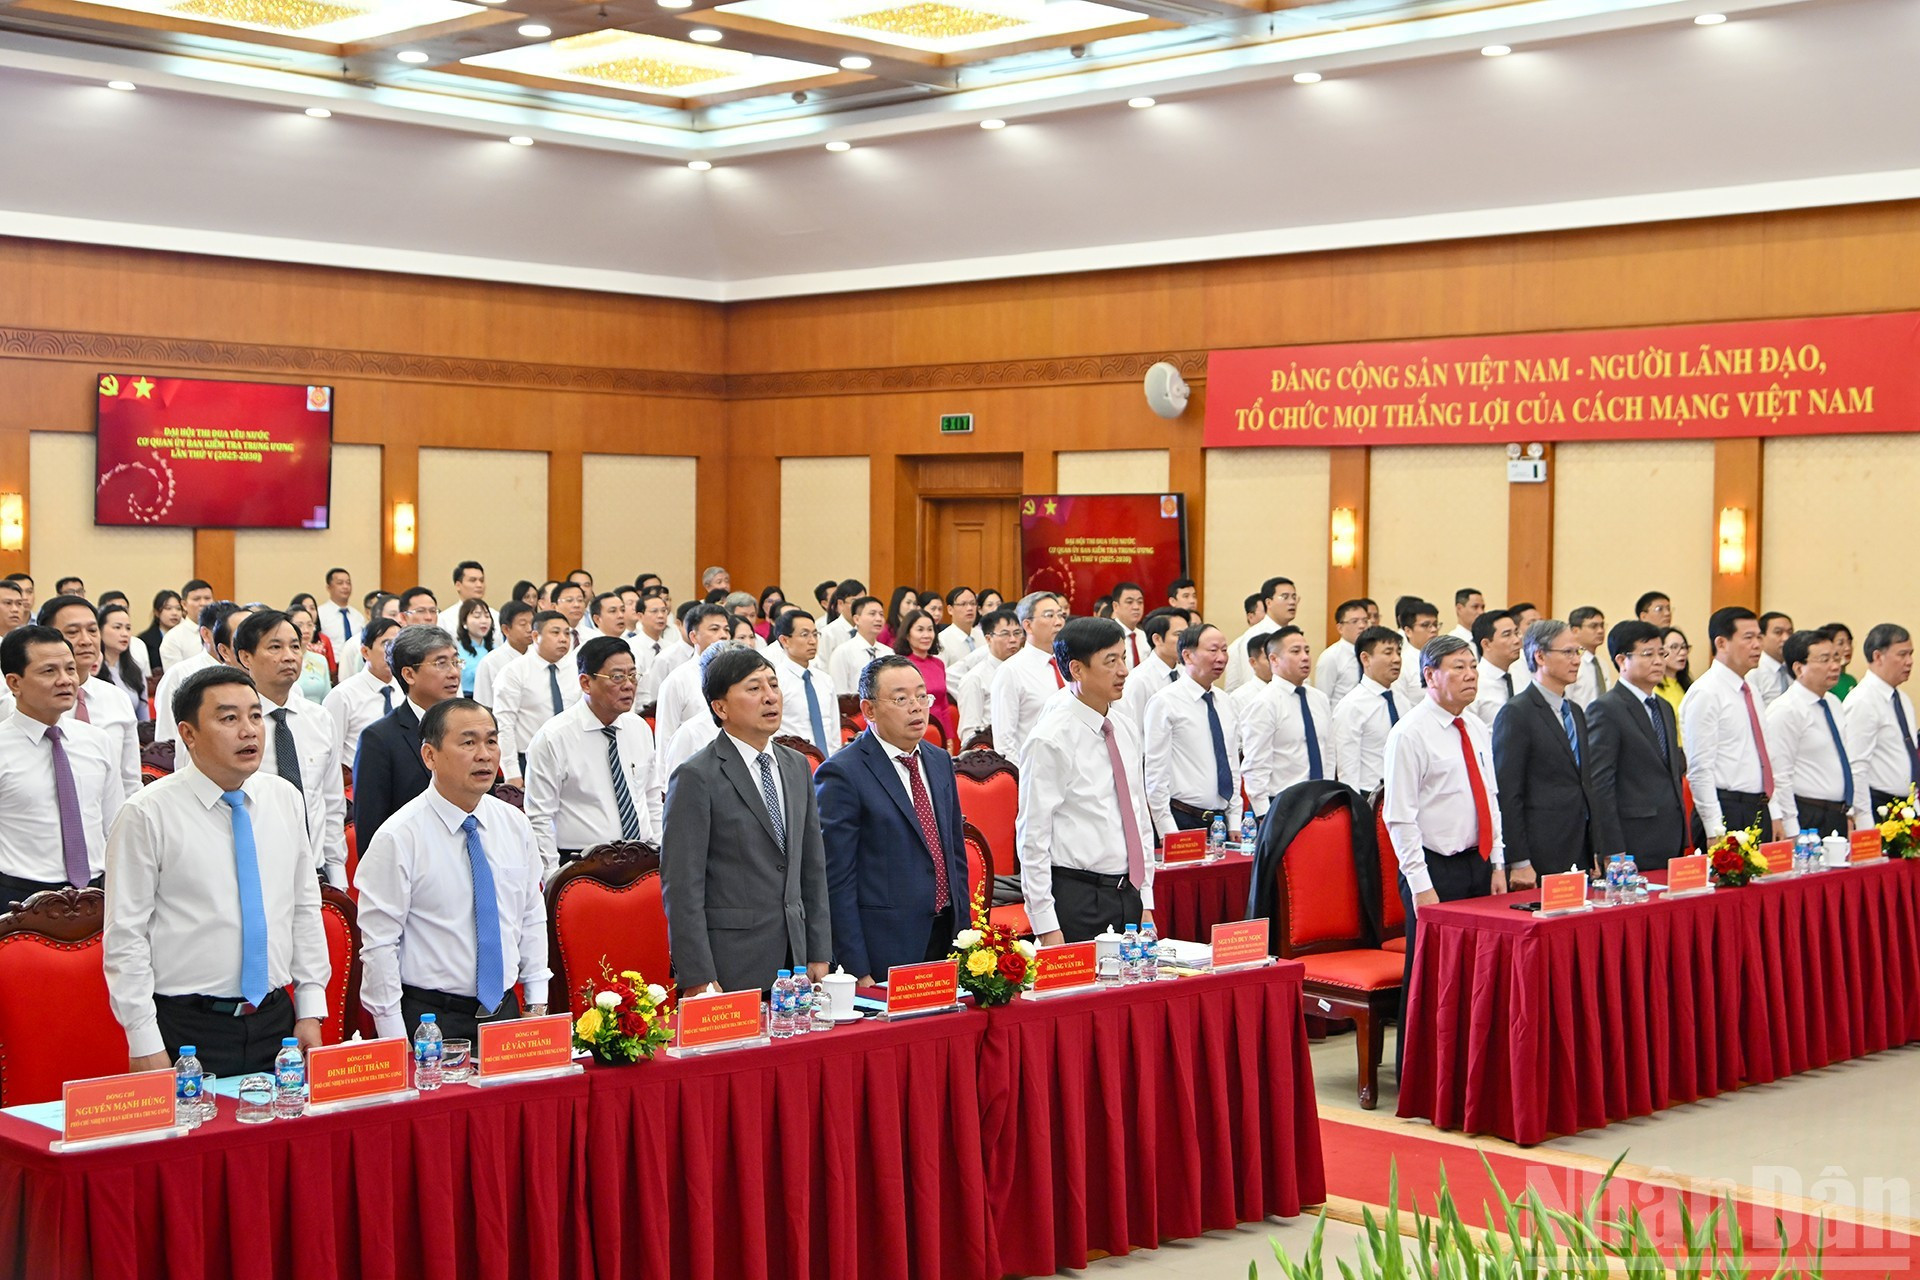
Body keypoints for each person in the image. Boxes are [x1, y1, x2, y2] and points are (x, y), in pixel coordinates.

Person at [104, 665, 330, 1077]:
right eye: (229, 718)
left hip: (277, 1021)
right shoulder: (147, 813)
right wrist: (143, 1038)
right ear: (188, 734)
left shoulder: (284, 798)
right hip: (187, 1027)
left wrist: (311, 1008)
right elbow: (126, 936)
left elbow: (304, 907)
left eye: (255, 716)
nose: (249, 731)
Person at [357, 698, 548, 1044]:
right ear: (430, 755)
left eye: (491, 741)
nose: (484, 755)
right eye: (468, 742)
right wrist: (394, 1037)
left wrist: (536, 1002)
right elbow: (380, 945)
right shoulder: (398, 837)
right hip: (430, 1020)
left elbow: (531, 915)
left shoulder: (514, 824)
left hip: (505, 1012)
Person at [1384, 636, 1525, 1066]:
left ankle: (1470, 1067)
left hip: (1477, 864)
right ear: (1430, 675)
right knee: (1432, 977)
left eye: (1473, 667)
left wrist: (1497, 863)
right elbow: (1399, 818)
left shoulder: (1476, 726)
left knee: (1477, 973)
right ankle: (1422, 1072)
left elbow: (1491, 799)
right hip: (1433, 870)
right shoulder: (1409, 733)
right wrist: (1421, 885)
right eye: (1458, 667)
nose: (1470, 675)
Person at [659, 646, 830, 994]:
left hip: (796, 957)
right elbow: (682, 886)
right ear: (720, 707)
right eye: (754, 688)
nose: (770, 697)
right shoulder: (696, 776)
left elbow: (812, 865)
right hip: (730, 963)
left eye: (773, 685)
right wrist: (697, 975)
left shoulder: (796, 765)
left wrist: (818, 949)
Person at [815, 655, 968, 983]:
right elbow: (837, 881)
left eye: (922, 696)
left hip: (947, 936)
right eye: (901, 699)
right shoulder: (843, 773)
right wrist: (856, 968)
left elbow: (955, 855)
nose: (916, 707)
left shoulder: (939, 760)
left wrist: (966, 937)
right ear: (869, 710)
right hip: (885, 946)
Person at [1016, 618, 1154, 944]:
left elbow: (1138, 815)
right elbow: (1033, 837)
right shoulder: (1050, 739)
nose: (1124, 671)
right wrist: (1046, 925)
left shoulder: (1124, 727)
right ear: (1077, 669)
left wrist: (1146, 899)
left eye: (1123, 658)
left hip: (1129, 893)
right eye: (1111, 661)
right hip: (1078, 897)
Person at [523, 637, 661, 882]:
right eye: (617, 677)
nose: (628, 685)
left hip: (642, 860)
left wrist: (661, 853)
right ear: (586, 683)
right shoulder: (553, 738)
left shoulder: (639, 728)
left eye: (632, 675)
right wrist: (552, 879)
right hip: (581, 866)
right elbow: (540, 817)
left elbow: (650, 797)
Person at [0, 626, 121, 904]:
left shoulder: (97, 741)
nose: (65, 680)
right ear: (14, 683)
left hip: (96, 893)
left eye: (70, 669)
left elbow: (113, 825)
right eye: (49, 671)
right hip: (19, 898)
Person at [233, 610, 348, 887]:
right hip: (253, 873)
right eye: (275, 647)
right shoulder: (233, 725)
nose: (289, 656)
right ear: (246, 657)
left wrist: (337, 875)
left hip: (315, 873)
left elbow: (331, 803)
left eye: (295, 647)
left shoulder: (319, 719)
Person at [1490, 619, 1596, 879]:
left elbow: (1585, 783)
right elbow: (1508, 793)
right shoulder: (1517, 713)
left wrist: (1596, 845)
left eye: (1578, 652)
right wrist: (1519, 860)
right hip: (1541, 850)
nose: (1576, 660)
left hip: (1579, 845)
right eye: (1568, 652)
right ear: (1539, 656)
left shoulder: (1575, 712)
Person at [1586, 621, 1689, 869]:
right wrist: (1611, 846)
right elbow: (1600, 784)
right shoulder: (1606, 709)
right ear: (1622, 660)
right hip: (1632, 839)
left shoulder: (1663, 707)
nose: (1658, 661)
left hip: (1671, 834)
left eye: (1661, 653)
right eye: (1648, 654)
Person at [352, 625, 463, 849]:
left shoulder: (470, 727)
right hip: (414, 859)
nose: (454, 672)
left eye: (456, 661)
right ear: (409, 674)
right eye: (441, 663)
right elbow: (372, 832)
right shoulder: (379, 739)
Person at [1681, 606, 1776, 840]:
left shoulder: (1750, 690)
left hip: (1757, 807)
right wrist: (1714, 828)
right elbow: (1700, 768)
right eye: (1748, 637)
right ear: (1722, 643)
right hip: (1726, 809)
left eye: (1759, 637)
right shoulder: (1706, 692)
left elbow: (1764, 757)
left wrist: (1775, 813)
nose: (1757, 645)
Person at [1142, 623, 1241, 839]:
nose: (1221, 658)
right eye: (1213, 650)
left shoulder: (1225, 702)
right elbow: (1155, 773)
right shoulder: (1165, 702)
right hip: (1182, 819)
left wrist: (1235, 819)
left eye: (1224, 650)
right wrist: (1166, 830)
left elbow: (1232, 763)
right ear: (1187, 655)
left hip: (1220, 822)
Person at [41, 595, 140, 799]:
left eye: (92, 630)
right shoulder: (26, 702)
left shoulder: (117, 698)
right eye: (73, 632)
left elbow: (130, 780)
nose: (86, 640)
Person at [1764, 629, 1858, 839]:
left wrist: (1849, 812)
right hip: (1807, 815)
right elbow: (1780, 775)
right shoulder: (1785, 710)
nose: (1835, 666)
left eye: (1836, 658)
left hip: (1837, 813)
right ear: (1799, 668)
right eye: (1824, 660)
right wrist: (1791, 828)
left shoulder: (1833, 703)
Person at [1241, 626, 1333, 820]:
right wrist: (1264, 815)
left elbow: (1329, 752)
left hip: (1321, 802)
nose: (1305, 657)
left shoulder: (1320, 699)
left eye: (1307, 651)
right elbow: (1255, 766)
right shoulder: (1264, 703)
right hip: (1281, 805)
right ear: (1274, 659)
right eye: (1295, 651)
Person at [1841, 623, 1918, 828]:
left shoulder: (1902, 699)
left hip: (1906, 807)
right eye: (1902, 654)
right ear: (1878, 657)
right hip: (1877, 807)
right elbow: (1856, 766)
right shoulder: (1862, 701)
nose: (1909, 661)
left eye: (1911, 654)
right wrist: (1863, 820)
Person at [491, 610, 581, 782]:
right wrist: (511, 772)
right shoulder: (514, 672)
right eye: (555, 632)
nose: (563, 639)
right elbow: (504, 725)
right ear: (535, 636)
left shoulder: (575, 670)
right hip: (529, 759)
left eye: (566, 633)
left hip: (571, 756)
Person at [990, 592, 1070, 762]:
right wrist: (1021, 775)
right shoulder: (1010, 671)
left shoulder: (1070, 664)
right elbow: (1004, 742)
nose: (1058, 622)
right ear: (1028, 625)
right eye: (1049, 615)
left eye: (1060, 615)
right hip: (1034, 768)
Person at [1331, 626, 1410, 793]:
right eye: (1388, 653)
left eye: (1398, 652)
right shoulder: (1351, 706)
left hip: (1403, 790)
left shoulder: (1402, 701)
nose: (1397, 659)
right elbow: (1347, 770)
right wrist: (1355, 804)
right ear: (1365, 659)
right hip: (1369, 794)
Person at [652, 604, 733, 763]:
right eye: (714, 629)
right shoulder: (677, 680)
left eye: (726, 630)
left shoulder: (738, 676)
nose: (723, 635)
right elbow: (665, 738)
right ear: (694, 637)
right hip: (694, 766)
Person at [325, 615, 403, 775]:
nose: (394, 651)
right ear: (365, 652)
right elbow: (331, 753)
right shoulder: (342, 695)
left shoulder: (407, 689)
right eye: (386, 644)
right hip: (359, 779)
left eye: (398, 644)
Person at [769, 610, 839, 759]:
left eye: (815, 634)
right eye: (804, 634)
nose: (812, 641)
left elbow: (834, 731)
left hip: (829, 761)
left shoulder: (825, 680)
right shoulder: (775, 682)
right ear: (785, 640)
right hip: (793, 762)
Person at [1115, 607, 1188, 738]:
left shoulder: (1185, 673)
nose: (1186, 641)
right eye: (1179, 635)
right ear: (1157, 639)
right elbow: (1132, 730)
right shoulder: (1139, 680)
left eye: (1187, 634)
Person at [956, 608, 1023, 748]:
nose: (1013, 640)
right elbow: (969, 734)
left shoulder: (1025, 671)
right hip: (994, 753)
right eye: (1005, 634)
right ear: (988, 639)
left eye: (1017, 633)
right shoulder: (975, 678)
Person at [1224, 577, 1294, 692]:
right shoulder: (1255, 636)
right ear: (1268, 602)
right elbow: (1252, 682)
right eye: (1284, 597)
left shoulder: (1293, 635)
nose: (1292, 602)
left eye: (1294, 597)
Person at [893, 608, 952, 741]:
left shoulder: (938, 664)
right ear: (907, 634)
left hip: (939, 732)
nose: (926, 635)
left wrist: (948, 737)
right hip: (913, 731)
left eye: (930, 629)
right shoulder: (900, 666)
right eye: (920, 630)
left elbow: (944, 705)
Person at [1468, 609, 1524, 727]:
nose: (1517, 640)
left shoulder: (1521, 674)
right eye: (1507, 635)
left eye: (1516, 633)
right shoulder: (1473, 683)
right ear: (1486, 644)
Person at [96, 601, 150, 722]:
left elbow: (144, 719)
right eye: (117, 627)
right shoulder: (92, 671)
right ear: (99, 630)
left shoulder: (135, 671)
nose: (125, 634)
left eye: (128, 628)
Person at [829, 595, 890, 700]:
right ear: (857, 619)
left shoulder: (888, 652)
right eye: (872, 614)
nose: (879, 619)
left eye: (881, 614)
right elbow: (839, 693)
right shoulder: (843, 652)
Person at [473, 601, 533, 707]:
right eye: (523, 624)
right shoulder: (490, 662)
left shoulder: (539, 656)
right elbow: (483, 704)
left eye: (532, 623)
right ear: (506, 629)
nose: (530, 629)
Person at [1313, 599, 1369, 709]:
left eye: (1365, 621)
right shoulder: (1330, 657)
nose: (1362, 626)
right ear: (1340, 628)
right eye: (1354, 621)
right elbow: (1322, 700)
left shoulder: (1370, 654)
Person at [626, 590, 676, 703]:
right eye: (654, 611)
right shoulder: (631, 647)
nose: (661, 615)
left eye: (664, 611)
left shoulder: (671, 648)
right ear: (640, 616)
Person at [1391, 598, 1442, 707]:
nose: (1433, 629)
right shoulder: (1402, 664)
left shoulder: (1445, 657)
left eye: (1435, 624)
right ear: (1408, 631)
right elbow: (1400, 705)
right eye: (1425, 625)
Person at [316, 568, 365, 677]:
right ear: (329, 587)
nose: (345, 586)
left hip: (357, 668)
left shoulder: (358, 616)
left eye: (348, 583)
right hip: (332, 670)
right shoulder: (320, 614)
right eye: (340, 583)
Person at [159, 579, 215, 669]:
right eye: (196, 599)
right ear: (184, 604)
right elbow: (176, 675)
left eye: (207, 598)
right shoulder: (173, 638)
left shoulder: (220, 630)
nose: (203, 603)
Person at [287, 606, 333, 704]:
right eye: (299, 625)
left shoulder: (320, 660)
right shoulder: (285, 660)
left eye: (309, 625)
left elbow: (327, 697)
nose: (306, 630)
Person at [1566, 606, 1609, 709]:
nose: (1600, 631)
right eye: (1594, 626)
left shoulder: (1602, 663)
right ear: (1575, 631)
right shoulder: (1570, 663)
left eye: (1602, 625)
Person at [1749, 611, 1794, 708]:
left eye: (1790, 632)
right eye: (1778, 632)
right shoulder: (1752, 672)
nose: (1786, 638)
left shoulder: (1796, 668)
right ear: (1761, 638)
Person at [817, 578, 866, 665]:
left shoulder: (867, 630)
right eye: (854, 602)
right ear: (840, 604)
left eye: (863, 602)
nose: (859, 607)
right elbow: (823, 666)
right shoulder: (828, 633)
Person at [456, 599, 496, 697]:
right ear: (464, 622)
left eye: (487, 616)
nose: (484, 621)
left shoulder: (496, 650)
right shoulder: (456, 651)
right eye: (477, 616)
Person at [436, 562, 487, 635]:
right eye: (472, 580)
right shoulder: (444, 619)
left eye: (481, 581)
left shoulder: (495, 616)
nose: (479, 585)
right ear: (458, 585)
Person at [1656, 625, 1692, 729]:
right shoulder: (1653, 689)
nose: (1683, 652)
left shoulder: (1688, 686)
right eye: (1674, 647)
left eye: (1684, 647)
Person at [137, 589, 180, 675]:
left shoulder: (187, 637)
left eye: (178, 609)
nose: (174, 613)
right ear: (156, 612)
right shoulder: (144, 641)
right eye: (168, 608)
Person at [939, 587, 981, 668]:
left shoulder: (983, 636)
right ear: (950, 609)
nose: (970, 608)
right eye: (963, 604)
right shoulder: (942, 641)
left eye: (973, 603)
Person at [1109, 581, 1148, 668]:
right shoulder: (1107, 635)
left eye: (1140, 602)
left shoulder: (1145, 636)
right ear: (1115, 606)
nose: (1136, 607)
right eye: (1129, 602)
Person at [1827, 622, 1859, 700]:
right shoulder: (1825, 681)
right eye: (1840, 643)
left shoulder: (1851, 680)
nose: (1848, 648)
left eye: (1850, 643)